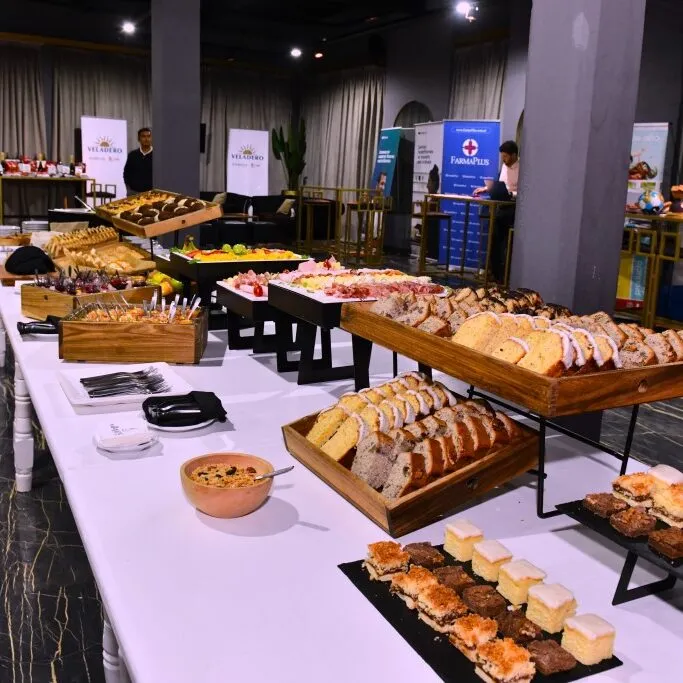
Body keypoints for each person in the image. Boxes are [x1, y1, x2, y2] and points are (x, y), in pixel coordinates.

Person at [473, 140, 520, 283]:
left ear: (514, 155)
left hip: (512, 209)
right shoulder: (504, 167)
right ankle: (494, 273)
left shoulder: (522, 168)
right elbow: (501, 185)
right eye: (502, 156)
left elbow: (523, 190)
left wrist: (512, 194)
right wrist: (486, 188)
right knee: (493, 241)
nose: (503, 159)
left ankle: (504, 278)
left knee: (505, 244)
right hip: (499, 208)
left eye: (506, 156)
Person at [123, 127, 153, 195]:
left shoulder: (157, 156)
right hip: (133, 193)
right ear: (139, 139)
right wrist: (129, 188)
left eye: (148, 136)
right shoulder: (132, 155)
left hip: (152, 194)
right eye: (143, 136)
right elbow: (126, 173)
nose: (146, 139)